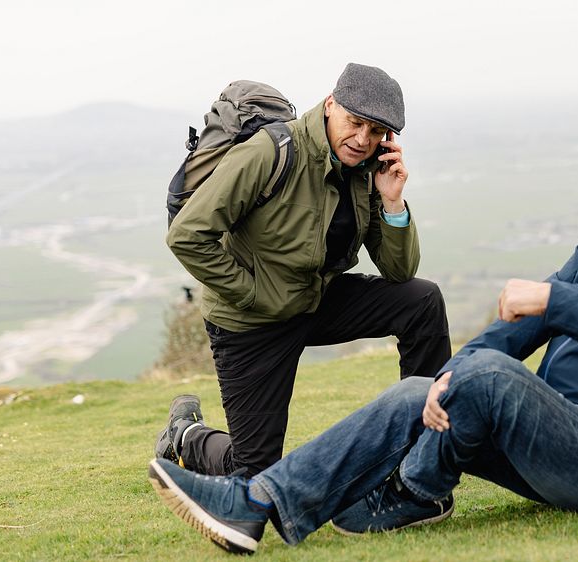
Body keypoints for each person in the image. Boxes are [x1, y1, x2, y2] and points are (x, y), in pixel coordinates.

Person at [147, 105, 578, 555]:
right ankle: (254, 505)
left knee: (485, 374)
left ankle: (414, 490)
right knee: (421, 387)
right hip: (560, 437)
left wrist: (558, 301)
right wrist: (448, 379)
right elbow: (522, 326)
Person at [156, 63, 451, 478]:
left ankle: (424, 452)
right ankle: (185, 436)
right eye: (355, 122)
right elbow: (187, 235)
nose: (362, 139)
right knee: (254, 473)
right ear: (331, 105)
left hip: (315, 300)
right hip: (251, 319)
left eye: (377, 131)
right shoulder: (269, 152)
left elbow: (399, 270)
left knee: (421, 301)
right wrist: (257, 295)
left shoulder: (367, 172)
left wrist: (392, 202)